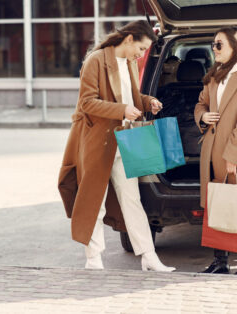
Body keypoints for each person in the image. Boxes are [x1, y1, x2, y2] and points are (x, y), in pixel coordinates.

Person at [58, 20, 175, 272]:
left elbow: (129, 97)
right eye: (141, 48)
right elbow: (87, 103)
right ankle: (93, 259)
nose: (141, 54)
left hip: (125, 141)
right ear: (129, 38)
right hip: (98, 142)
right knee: (94, 201)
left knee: (132, 201)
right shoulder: (96, 60)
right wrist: (122, 109)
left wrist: (147, 101)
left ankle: (148, 257)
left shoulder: (130, 63)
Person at [194, 26, 237, 276]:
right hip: (214, 150)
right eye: (213, 44)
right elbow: (201, 102)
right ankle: (220, 261)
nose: (214, 49)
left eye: (219, 44)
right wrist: (203, 115)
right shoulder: (216, 74)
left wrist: (233, 156)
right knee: (218, 203)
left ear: (236, 45)